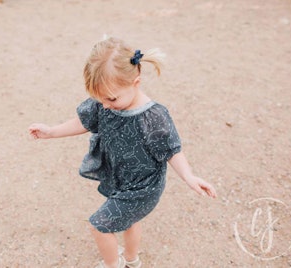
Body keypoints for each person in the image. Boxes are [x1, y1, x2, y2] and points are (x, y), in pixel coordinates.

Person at [29, 37, 217, 268]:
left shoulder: (153, 117)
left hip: (142, 187)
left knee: (99, 225)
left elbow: (171, 150)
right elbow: (84, 121)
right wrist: (52, 132)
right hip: (119, 177)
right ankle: (132, 260)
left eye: (110, 99)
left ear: (136, 82)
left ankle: (112, 265)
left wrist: (189, 177)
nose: (105, 105)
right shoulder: (106, 99)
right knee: (129, 221)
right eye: (100, 99)